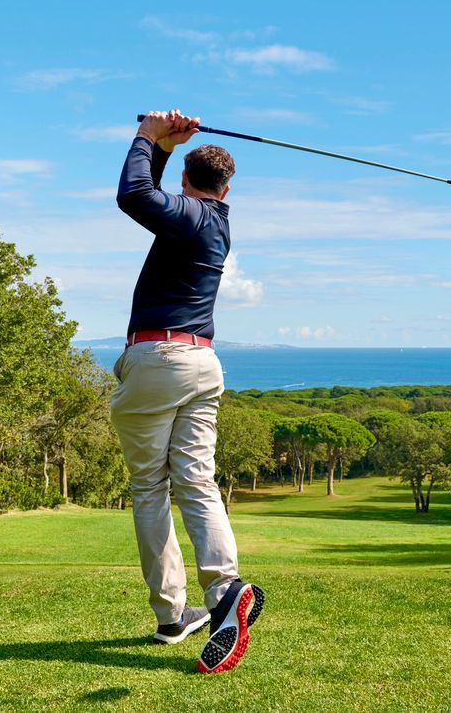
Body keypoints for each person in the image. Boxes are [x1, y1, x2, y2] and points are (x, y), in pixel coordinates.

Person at [110, 109, 265, 674]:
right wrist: (169, 147)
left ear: (188, 184)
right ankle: (224, 592)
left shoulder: (193, 215)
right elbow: (155, 195)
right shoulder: (214, 218)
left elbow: (134, 195)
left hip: (158, 360)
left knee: (150, 487)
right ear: (229, 187)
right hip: (202, 363)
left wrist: (148, 137)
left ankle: (172, 613)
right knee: (196, 480)